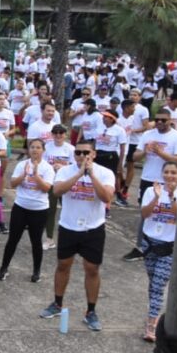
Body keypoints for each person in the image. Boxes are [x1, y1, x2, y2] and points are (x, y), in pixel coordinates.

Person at [39, 139, 116, 331]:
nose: (81, 156)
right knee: (63, 265)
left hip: (93, 228)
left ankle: (91, 311)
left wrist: (91, 175)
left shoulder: (105, 173)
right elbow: (57, 191)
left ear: (94, 154)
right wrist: (80, 173)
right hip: (69, 226)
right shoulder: (65, 171)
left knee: (92, 269)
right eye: (78, 153)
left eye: (85, 153)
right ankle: (57, 303)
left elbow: (106, 197)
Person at [125, 108, 177, 261]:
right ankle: (142, 246)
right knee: (145, 213)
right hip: (148, 179)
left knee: (170, 213)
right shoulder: (147, 134)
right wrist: (146, 151)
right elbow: (135, 157)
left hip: (169, 181)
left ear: (170, 120)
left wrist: (160, 152)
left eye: (163, 120)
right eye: (157, 119)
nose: (159, 122)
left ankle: (169, 245)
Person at [0, 138, 55, 283]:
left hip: (39, 209)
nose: (35, 150)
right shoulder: (22, 165)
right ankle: (4, 268)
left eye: (38, 147)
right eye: (32, 147)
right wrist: (24, 174)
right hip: (21, 207)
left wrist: (35, 175)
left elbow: (46, 188)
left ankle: (36, 271)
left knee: (36, 241)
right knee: (12, 240)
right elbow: (13, 184)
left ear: (43, 150)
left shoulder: (47, 168)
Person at [139, 161, 177, 342]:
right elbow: (144, 214)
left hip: (169, 246)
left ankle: (151, 325)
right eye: (166, 172)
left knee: (158, 286)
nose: (169, 176)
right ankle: (154, 312)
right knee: (152, 282)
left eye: (173, 172)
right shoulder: (151, 190)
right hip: (149, 243)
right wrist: (156, 198)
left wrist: (171, 196)